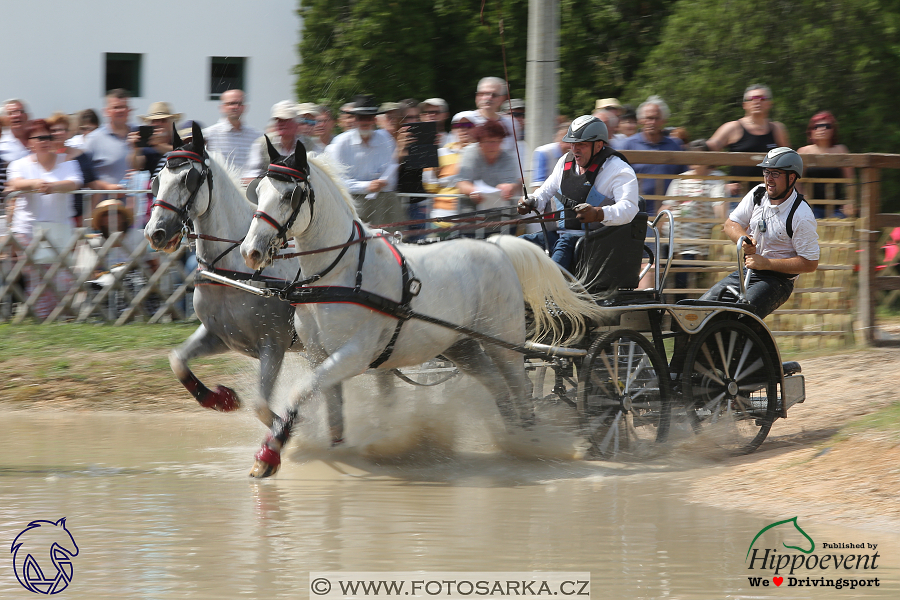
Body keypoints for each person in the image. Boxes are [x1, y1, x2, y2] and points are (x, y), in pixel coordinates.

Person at [699, 148, 819, 319]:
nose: (768, 178)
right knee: (703, 309)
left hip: (778, 281)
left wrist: (767, 263)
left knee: (742, 316)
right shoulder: (758, 193)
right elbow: (730, 224)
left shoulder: (801, 215)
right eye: (766, 172)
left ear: (791, 178)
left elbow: (810, 263)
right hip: (750, 271)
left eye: (775, 173)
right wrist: (745, 239)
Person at [517, 115, 640, 271]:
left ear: (598, 145)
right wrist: (530, 201)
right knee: (517, 247)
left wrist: (598, 214)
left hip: (595, 243)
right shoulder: (565, 162)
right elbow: (544, 193)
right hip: (557, 236)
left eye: (581, 144)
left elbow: (629, 208)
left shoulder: (619, 170)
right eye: (572, 144)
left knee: (556, 259)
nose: (574, 149)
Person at [7, 119, 84, 318]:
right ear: (29, 141)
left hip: (60, 229)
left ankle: (61, 318)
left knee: (63, 279)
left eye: (48, 136)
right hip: (28, 230)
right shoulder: (18, 165)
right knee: (38, 279)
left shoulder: (68, 163)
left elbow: (75, 182)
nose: (45, 141)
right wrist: (36, 183)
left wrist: (53, 186)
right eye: (40, 137)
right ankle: (42, 319)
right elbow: (15, 183)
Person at [662, 139, 728, 291]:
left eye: (698, 157)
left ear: (707, 159)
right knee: (665, 282)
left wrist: (723, 223)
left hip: (695, 246)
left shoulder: (716, 179)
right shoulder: (680, 179)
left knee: (682, 284)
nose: (693, 161)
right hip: (671, 241)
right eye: (690, 156)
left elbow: (720, 210)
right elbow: (665, 208)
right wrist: (657, 228)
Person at [325, 95, 401, 226]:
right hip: (352, 200)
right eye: (361, 118)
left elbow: (392, 179)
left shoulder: (386, 139)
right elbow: (336, 181)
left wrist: (377, 185)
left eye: (369, 118)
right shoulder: (340, 143)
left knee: (393, 238)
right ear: (355, 119)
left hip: (383, 201)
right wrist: (366, 186)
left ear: (374, 119)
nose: (365, 122)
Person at [704, 84, 791, 195]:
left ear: (770, 103)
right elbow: (705, 153)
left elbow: (790, 163)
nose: (757, 101)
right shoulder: (732, 128)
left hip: (771, 196)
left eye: (762, 98)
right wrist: (721, 184)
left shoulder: (777, 129)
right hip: (738, 198)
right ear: (744, 105)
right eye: (752, 99)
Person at [616, 96, 684, 210]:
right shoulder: (628, 145)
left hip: (668, 211)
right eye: (648, 118)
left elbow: (685, 176)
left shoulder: (675, 145)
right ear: (640, 120)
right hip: (635, 210)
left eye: (656, 118)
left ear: (664, 120)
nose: (652, 122)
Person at [455, 120, 521, 215]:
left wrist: (509, 187)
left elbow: (513, 183)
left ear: (501, 142)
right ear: (480, 143)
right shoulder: (469, 153)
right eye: (488, 142)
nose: (492, 146)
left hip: (502, 215)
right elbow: (462, 182)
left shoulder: (508, 157)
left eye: (496, 141)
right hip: (472, 215)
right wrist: (473, 191)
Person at [797, 111, 854, 218]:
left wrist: (850, 202)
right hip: (811, 206)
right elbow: (796, 181)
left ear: (833, 130)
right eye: (817, 126)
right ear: (811, 131)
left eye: (827, 126)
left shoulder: (841, 150)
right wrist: (803, 199)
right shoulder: (803, 151)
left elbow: (850, 180)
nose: (822, 129)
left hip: (837, 206)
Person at [422, 113, 475, 227]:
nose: (463, 129)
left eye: (468, 125)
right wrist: (431, 163)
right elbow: (430, 187)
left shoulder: (482, 153)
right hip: (442, 218)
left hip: (472, 220)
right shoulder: (441, 152)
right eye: (458, 126)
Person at [202, 89, 263, 172]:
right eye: (231, 103)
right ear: (222, 107)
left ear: (245, 107)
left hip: (250, 184)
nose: (236, 107)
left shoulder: (256, 136)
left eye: (239, 103)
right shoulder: (209, 135)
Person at [82, 89, 133, 186]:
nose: (120, 111)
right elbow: (84, 176)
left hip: (136, 200)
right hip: (106, 200)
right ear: (106, 111)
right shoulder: (93, 139)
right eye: (116, 107)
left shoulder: (138, 133)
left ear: (129, 110)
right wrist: (107, 187)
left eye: (124, 107)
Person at [243, 101, 301, 181]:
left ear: (296, 124)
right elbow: (251, 175)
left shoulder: (307, 144)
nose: (281, 124)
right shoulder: (262, 144)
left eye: (286, 120)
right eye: (278, 120)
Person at [460, 77, 516, 151]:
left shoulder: (512, 123)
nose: (488, 98)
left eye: (494, 95)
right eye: (483, 93)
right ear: (477, 96)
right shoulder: (465, 119)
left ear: (503, 98)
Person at [129, 101, 180, 174]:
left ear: (171, 123)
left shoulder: (179, 141)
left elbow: (181, 153)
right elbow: (136, 166)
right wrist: (135, 149)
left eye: (163, 120)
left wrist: (160, 146)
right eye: (154, 121)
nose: (158, 124)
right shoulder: (146, 145)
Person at [1, 99, 31, 164]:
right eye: (11, 113)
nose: (16, 115)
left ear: (27, 116)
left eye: (20, 111)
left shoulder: (40, 138)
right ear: (4, 119)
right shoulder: (1, 143)